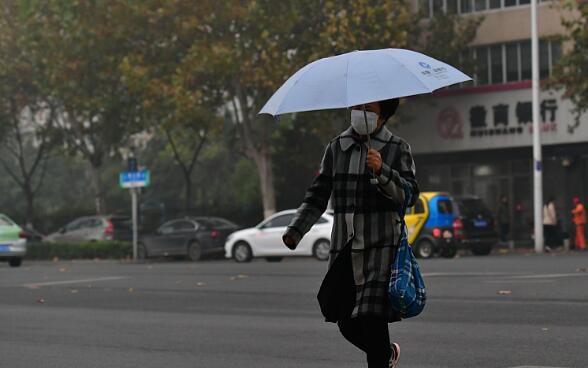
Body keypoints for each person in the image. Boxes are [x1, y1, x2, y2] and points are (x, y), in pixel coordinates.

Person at [282, 98, 419, 368]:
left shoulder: (397, 148)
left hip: (380, 250)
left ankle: (380, 356)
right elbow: (317, 195)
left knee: (371, 319)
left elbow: (410, 195)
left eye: (369, 109)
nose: (361, 113)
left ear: (383, 117)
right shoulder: (336, 148)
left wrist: (382, 170)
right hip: (345, 248)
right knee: (341, 316)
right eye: (358, 108)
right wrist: (295, 231)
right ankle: (385, 353)